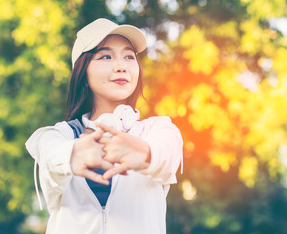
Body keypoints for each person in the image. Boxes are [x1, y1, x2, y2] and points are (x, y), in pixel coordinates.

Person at [25, 18, 183, 234]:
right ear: (83, 71)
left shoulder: (157, 131)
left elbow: (166, 154)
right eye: (106, 56)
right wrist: (72, 154)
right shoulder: (59, 136)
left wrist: (145, 153)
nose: (121, 67)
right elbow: (50, 153)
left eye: (129, 56)